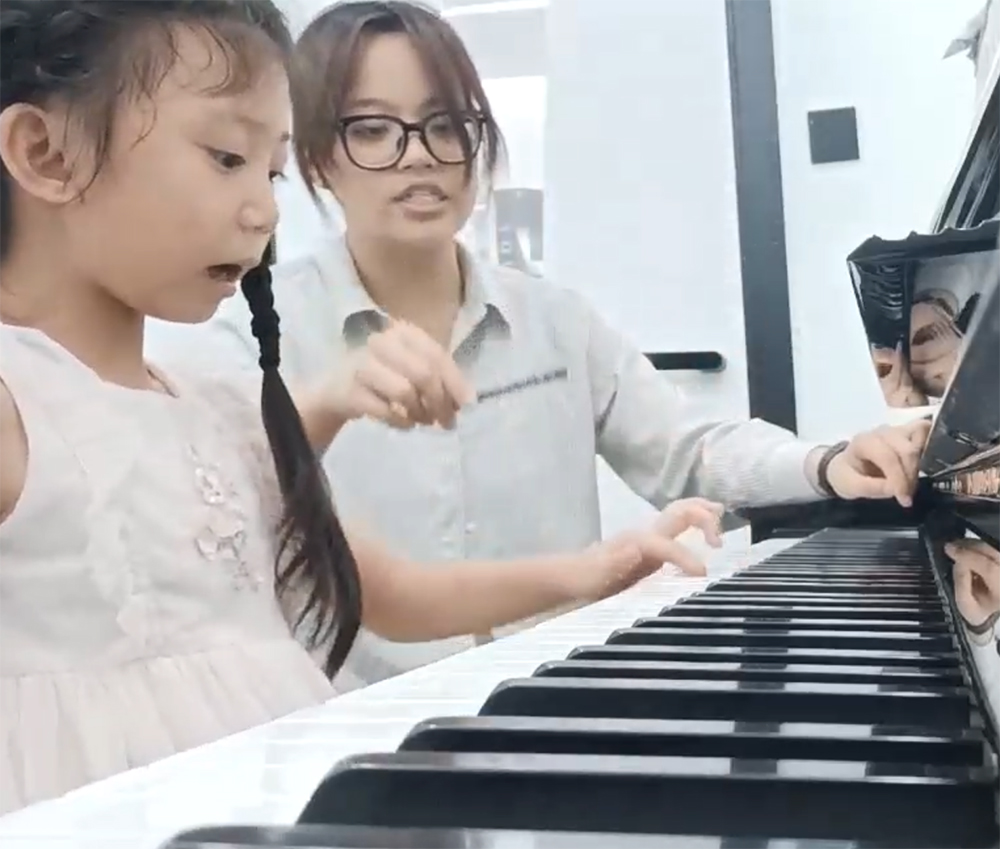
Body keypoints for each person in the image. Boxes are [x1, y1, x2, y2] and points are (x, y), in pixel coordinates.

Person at [0, 0, 728, 815]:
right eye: (226, 157)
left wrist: (593, 569)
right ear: (45, 154)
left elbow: (388, 592)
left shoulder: (222, 407)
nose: (264, 210)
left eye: (270, 172)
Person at [165, 0, 932, 691]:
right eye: (372, 129)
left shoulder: (557, 321)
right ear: (316, 159)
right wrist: (325, 402)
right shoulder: (256, 336)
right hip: (354, 720)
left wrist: (827, 462)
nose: (419, 155)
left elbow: (690, 450)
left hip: (557, 697)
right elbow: (213, 501)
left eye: (446, 125)